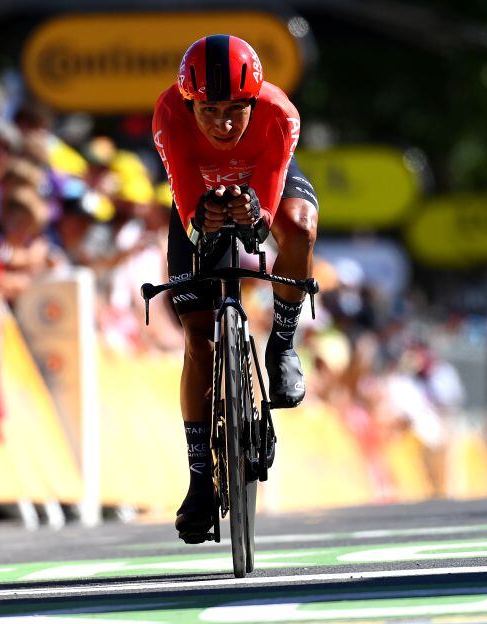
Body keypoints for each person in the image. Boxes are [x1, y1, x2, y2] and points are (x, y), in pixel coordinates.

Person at [152, 34, 319, 542]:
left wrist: (257, 217)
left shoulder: (278, 113)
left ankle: (284, 345)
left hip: (264, 181)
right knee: (198, 338)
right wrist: (202, 222)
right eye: (209, 111)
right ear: (189, 103)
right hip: (198, 190)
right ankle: (200, 479)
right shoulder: (168, 114)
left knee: (299, 228)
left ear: (254, 101)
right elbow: (183, 192)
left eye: (234, 111)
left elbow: (268, 199)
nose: (222, 124)